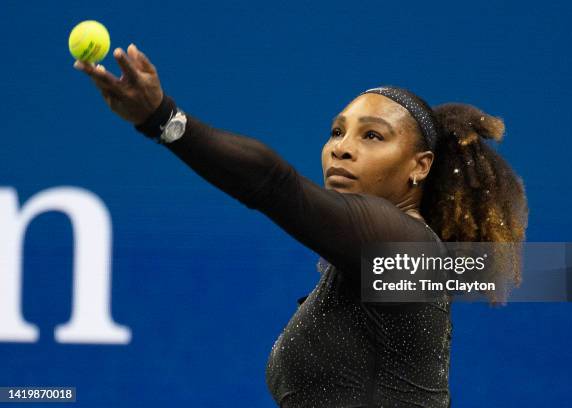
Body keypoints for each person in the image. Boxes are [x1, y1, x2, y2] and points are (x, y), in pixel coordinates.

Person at [74, 44, 528, 407]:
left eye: (372, 135)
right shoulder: (389, 261)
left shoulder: (400, 243)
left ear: (420, 166)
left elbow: (274, 183)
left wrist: (163, 120)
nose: (341, 149)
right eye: (337, 132)